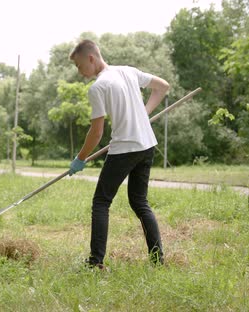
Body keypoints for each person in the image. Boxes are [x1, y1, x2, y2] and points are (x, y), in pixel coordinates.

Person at [67, 39, 170, 269]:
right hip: (147, 145)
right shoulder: (127, 71)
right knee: (140, 202)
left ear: (91, 58)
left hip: (125, 148)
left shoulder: (98, 87)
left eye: (79, 66)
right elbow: (163, 86)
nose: (80, 73)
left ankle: (95, 263)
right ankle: (157, 260)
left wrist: (80, 159)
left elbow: (96, 132)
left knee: (101, 202)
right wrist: (144, 113)